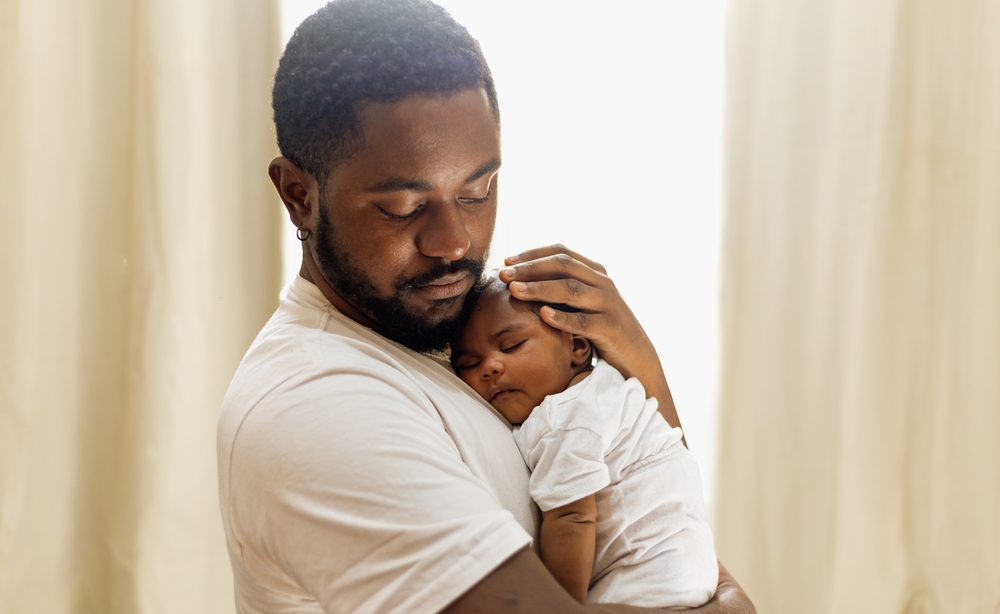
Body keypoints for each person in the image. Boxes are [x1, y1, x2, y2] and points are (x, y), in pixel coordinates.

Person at [216, 0, 756, 612]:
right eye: (402, 207)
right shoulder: (317, 403)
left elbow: (650, 522)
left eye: (477, 191)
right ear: (298, 195)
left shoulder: (450, 334)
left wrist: (640, 369)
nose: (454, 243)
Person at [450, 277, 718, 608]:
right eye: (468, 364)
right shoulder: (607, 386)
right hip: (691, 568)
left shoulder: (564, 418)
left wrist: (562, 605)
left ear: (577, 346)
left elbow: (572, 516)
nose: (490, 367)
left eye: (511, 346)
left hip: (645, 580)